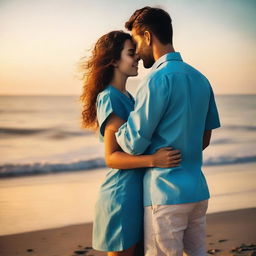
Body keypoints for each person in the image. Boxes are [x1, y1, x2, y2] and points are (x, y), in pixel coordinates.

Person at [115, 7, 221, 256]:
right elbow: (204, 138)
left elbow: (133, 144)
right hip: (196, 191)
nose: (138, 54)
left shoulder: (155, 80)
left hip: (164, 194)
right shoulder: (201, 78)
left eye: (137, 42)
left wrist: (116, 127)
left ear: (148, 37)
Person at [80, 30, 182, 256]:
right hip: (121, 196)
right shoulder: (109, 97)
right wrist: (154, 160)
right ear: (114, 60)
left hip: (139, 194)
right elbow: (112, 157)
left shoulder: (129, 97)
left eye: (135, 53)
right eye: (130, 53)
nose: (137, 57)